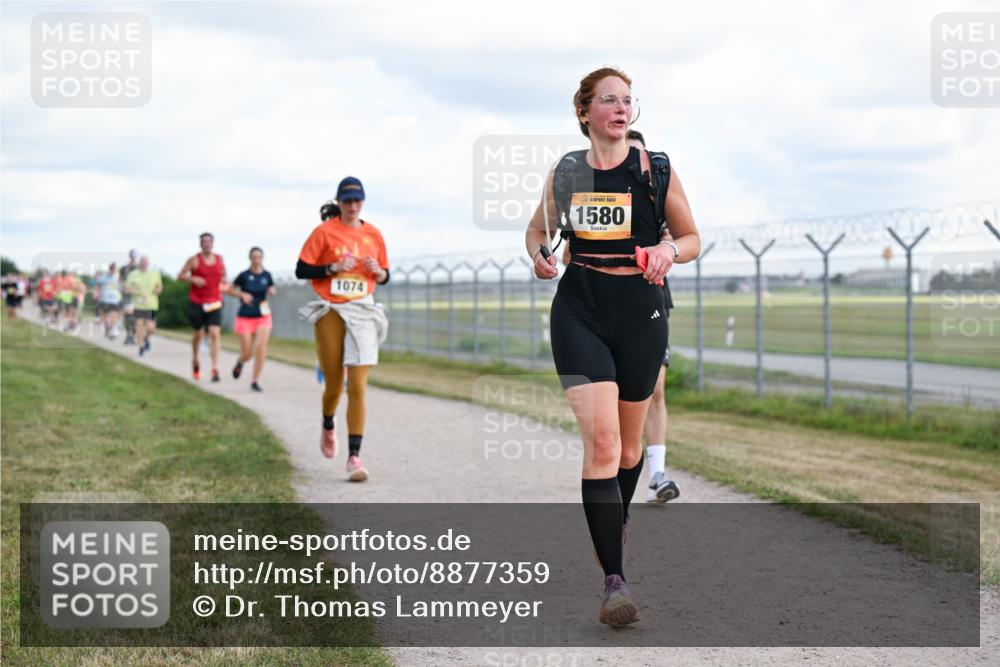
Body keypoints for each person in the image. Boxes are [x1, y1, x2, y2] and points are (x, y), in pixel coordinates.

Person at [525, 67, 699, 627]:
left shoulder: (657, 168)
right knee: (602, 446)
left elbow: (692, 237)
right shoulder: (567, 172)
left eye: (628, 100)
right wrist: (539, 256)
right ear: (584, 112)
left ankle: (613, 528)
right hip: (579, 310)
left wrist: (670, 253)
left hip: (641, 315)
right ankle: (615, 583)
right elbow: (536, 230)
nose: (621, 108)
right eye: (609, 100)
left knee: (628, 453)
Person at [296, 179, 390, 482]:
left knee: (358, 387)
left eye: (357, 201)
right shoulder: (323, 232)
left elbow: (386, 274)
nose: (352, 206)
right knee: (335, 385)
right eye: (347, 201)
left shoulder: (373, 233)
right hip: (331, 309)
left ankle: (354, 457)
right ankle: (327, 423)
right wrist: (331, 268)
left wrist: (380, 272)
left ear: (363, 202)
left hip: (363, 309)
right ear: (338, 202)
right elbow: (301, 269)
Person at [178, 233, 227, 381]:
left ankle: (215, 368)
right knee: (198, 333)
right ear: (200, 244)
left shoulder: (219, 259)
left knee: (214, 332)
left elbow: (223, 277)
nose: (207, 244)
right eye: (204, 242)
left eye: (209, 242)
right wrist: (192, 278)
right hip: (197, 302)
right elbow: (180, 276)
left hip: (214, 301)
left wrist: (224, 286)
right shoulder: (194, 260)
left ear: (213, 243)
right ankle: (195, 359)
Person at [227, 247, 276, 392]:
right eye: (254, 257)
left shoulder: (267, 275)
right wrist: (242, 295)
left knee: (261, 347)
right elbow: (229, 290)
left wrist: (272, 291)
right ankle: (241, 362)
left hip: (263, 316)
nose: (256, 260)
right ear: (250, 258)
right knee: (247, 353)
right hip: (245, 316)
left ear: (262, 258)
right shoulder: (243, 275)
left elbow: (272, 288)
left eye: (259, 257)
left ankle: (255, 380)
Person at [124, 256, 162, 355]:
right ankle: (141, 347)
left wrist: (158, 290)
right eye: (142, 262)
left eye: (146, 263)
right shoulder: (133, 274)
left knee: (151, 328)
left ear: (148, 264)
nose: (144, 264)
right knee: (139, 326)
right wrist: (134, 290)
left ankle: (146, 339)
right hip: (138, 305)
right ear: (139, 264)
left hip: (151, 305)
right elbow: (126, 289)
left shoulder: (154, 274)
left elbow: (159, 286)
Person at [95, 262, 123, 339]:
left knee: (114, 315)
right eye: (112, 269)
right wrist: (96, 293)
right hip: (105, 300)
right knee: (106, 317)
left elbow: (122, 287)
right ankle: (107, 327)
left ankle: (113, 329)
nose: (113, 271)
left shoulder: (118, 277)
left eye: (114, 269)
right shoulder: (104, 277)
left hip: (114, 300)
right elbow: (98, 285)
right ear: (109, 269)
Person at [119, 250, 140, 345]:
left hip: (138, 296)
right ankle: (129, 334)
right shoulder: (124, 268)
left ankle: (133, 335)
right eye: (132, 256)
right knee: (128, 316)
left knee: (136, 317)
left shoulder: (140, 268)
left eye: (134, 256)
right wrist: (125, 288)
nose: (133, 258)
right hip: (127, 296)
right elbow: (121, 281)